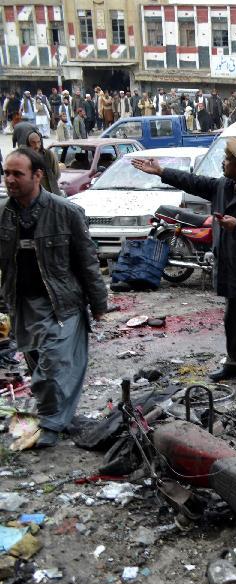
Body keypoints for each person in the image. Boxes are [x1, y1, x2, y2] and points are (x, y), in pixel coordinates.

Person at [131, 139, 236, 394]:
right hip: (231, 268)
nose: (223, 164)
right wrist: (161, 172)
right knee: (233, 323)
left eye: (227, 160)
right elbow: (195, 182)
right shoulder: (225, 185)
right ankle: (235, 365)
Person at [0, 148, 108, 448]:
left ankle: (49, 423)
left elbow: (87, 261)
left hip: (62, 304)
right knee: (37, 364)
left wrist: (99, 304)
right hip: (22, 304)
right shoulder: (3, 215)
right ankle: (59, 415)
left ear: (37, 175)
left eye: (17, 173)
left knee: (53, 365)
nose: (10, 179)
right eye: (6, 172)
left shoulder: (66, 212)